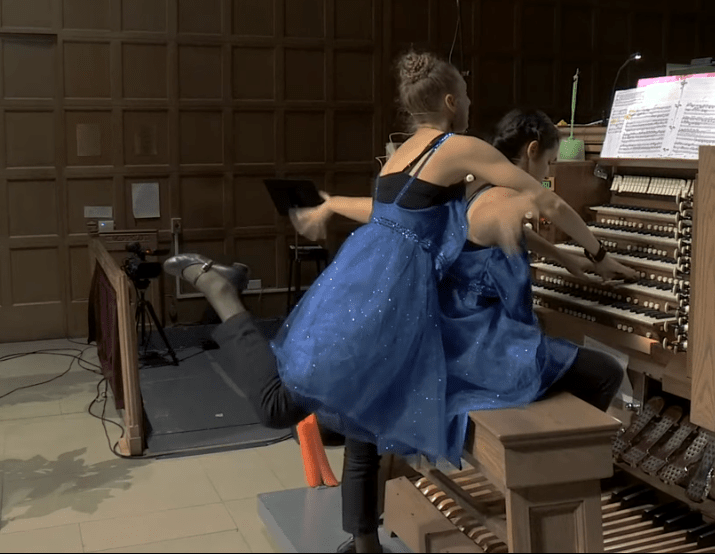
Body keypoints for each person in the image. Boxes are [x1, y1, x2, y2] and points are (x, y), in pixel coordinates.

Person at [165, 49, 636, 551]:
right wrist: (599, 254)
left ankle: (364, 542)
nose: (471, 104)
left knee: (361, 409)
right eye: (467, 95)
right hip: (386, 303)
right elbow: (547, 198)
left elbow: (394, 213)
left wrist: (330, 205)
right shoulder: (456, 147)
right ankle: (223, 293)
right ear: (451, 101)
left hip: (364, 286)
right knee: (279, 405)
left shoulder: (403, 154)